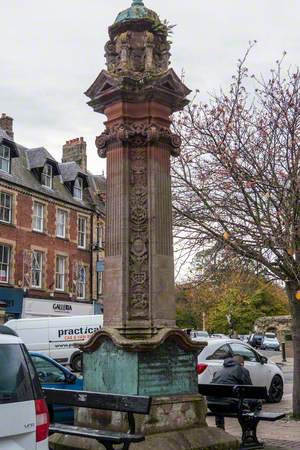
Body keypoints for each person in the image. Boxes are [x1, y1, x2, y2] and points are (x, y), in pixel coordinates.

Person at [207, 355, 261, 430]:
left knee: (219, 399)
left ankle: (220, 429)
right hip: (230, 405)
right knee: (256, 402)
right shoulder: (242, 369)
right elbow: (249, 391)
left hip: (212, 405)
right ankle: (248, 431)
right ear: (241, 363)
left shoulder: (219, 371)